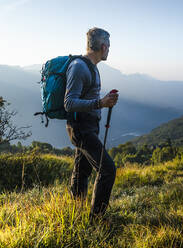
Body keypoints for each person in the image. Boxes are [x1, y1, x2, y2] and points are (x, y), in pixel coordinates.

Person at [64, 27, 118, 219]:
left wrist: (104, 102)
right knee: (108, 170)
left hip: (88, 127)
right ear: (103, 47)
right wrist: (100, 103)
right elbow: (69, 103)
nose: (109, 50)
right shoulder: (79, 67)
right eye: (109, 46)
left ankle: (75, 213)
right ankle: (97, 220)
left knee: (82, 171)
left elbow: (87, 98)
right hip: (81, 129)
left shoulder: (91, 67)